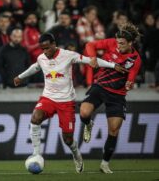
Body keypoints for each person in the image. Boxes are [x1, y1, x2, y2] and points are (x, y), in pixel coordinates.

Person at [14, 33, 126, 173]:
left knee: (67, 139)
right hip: (48, 97)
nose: (45, 52)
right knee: (35, 118)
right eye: (42, 49)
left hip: (66, 102)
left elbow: (90, 60)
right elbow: (36, 67)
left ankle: (76, 155)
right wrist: (20, 77)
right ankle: (37, 154)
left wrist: (112, 65)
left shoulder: (68, 55)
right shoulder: (42, 58)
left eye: (47, 48)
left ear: (54, 44)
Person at [79, 23, 142, 173]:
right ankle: (88, 124)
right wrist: (93, 57)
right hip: (100, 86)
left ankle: (105, 163)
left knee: (114, 130)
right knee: (84, 113)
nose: (118, 45)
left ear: (130, 43)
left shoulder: (135, 59)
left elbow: (131, 78)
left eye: (122, 43)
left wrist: (129, 83)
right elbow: (90, 44)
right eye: (118, 42)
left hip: (117, 95)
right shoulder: (111, 43)